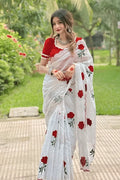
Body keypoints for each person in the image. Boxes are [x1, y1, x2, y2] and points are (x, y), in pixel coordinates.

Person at [36, 9, 96, 180]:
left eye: (59, 23)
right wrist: (54, 71)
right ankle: (50, 173)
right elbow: (40, 67)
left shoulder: (78, 43)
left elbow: (89, 67)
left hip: (70, 92)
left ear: (67, 23)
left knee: (69, 133)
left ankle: (64, 172)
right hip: (53, 90)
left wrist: (74, 69)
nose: (56, 26)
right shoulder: (49, 42)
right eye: (54, 23)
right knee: (54, 131)